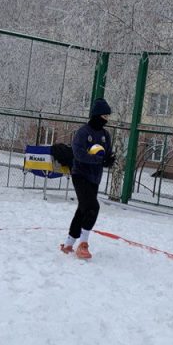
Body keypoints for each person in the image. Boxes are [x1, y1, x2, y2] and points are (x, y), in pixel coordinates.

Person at [60, 98, 115, 260]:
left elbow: (108, 153)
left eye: (107, 116)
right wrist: (100, 160)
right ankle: (83, 244)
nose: (106, 119)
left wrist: (109, 160)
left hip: (94, 177)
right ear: (96, 115)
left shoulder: (105, 135)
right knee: (92, 207)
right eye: (104, 116)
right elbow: (79, 155)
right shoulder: (83, 132)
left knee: (83, 209)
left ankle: (69, 243)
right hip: (80, 175)